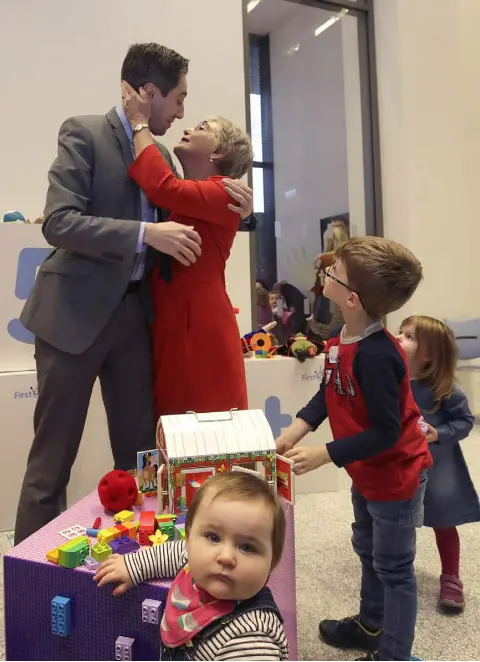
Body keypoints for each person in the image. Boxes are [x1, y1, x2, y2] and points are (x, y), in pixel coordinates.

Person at [14, 43, 254, 545]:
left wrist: (241, 206)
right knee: (51, 461)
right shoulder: (83, 132)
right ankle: (30, 582)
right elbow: (59, 222)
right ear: (150, 93)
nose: (183, 111)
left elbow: (192, 210)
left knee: (142, 455)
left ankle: (137, 564)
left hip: (135, 321)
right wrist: (146, 234)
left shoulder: (161, 155)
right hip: (71, 320)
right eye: (179, 98)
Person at [275, 236, 432, 661]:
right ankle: (371, 626)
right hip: (367, 470)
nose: (325, 274)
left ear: (353, 298)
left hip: (395, 475)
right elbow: (329, 393)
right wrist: (296, 430)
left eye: (334, 273)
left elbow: (385, 432)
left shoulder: (379, 355)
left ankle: (395, 654)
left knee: (395, 569)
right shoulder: (341, 338)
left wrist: (325, 453)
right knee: (367, 547)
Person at [121, 81, 251, 416]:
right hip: (174, 319)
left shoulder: (223, 191)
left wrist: (139, 124)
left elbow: (162, 187)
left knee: (203, 428)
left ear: (218, 152)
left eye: (203, 127)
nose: (190, 127)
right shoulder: (198, 195)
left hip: (199, 327)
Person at [94, 471, 288, 661]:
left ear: (273, 562)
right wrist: (133, 565)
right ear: (189, 537)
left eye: (247, 547)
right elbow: (173, 553)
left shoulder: (249, 641)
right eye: (213, 537)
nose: (226, 557)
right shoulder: (194, 557)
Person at [397, 315, 479, 611]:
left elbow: (465, 422)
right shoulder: (392, 381)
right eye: (400, 332)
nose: (399, 338)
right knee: (397, 520)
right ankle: (395, 572)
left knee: (444, 519)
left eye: (409, 336)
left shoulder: (444, 389)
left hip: (438, 464)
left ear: (429, 353)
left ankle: (451, 576)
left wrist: (438, 434)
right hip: (400, 465)